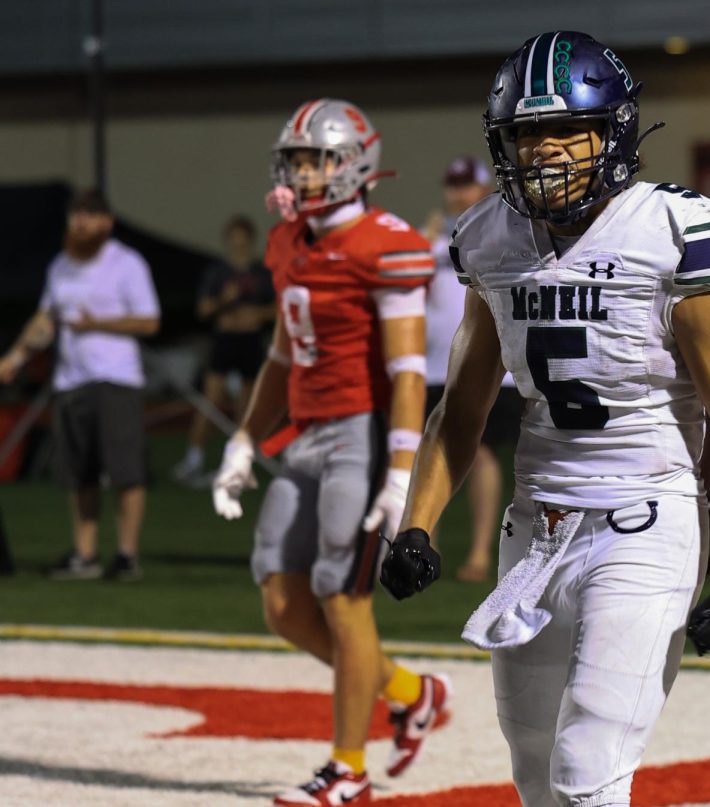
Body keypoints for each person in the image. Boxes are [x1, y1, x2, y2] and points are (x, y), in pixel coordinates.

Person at [378, 31, 710, 807]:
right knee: (532, 769)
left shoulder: (669, 233)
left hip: (645, 519)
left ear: (614, 132)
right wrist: (417, 523)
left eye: (566, 130)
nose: (546, 151)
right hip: (535, 527)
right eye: (527, 134)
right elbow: (462, 408)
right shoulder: (490, 238)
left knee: (588, 767)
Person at [208, 99, 451, 806]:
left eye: (316, 158)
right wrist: (246, 436)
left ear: (355, 164)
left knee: (342, 601)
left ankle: (349, 768)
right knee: (282, 602)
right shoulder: (286, 241)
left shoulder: (387, 242)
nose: (302, 172)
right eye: (297, 159)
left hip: (364, 433)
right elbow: (283, 354)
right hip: (307, 433)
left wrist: (402, 470)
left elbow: (409, 372)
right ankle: (412, 691)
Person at [0, 188, 160, 582]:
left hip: (115, 378)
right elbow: (45, 319)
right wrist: (15, 357)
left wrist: (97, 324)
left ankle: (126, 555)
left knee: (126, 471)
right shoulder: (61, 266)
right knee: (79, 473)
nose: (80, 223)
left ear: (106, 222)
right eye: (75, 216)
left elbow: (149, 321)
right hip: (71, 380)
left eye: (88, 216)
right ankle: (85, 555)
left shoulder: (126, 263)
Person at [422, 155, 522, 582]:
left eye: (467, 185)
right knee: (432, 450)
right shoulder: (429, 240)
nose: (459, 194)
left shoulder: (503, 232)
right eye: (454, 185)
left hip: (494, 370)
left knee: (480, 454)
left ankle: (481, 553)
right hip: (433, 368)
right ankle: (423, 542)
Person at [173, 215, 275, 481]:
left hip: (250, 341)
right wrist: (223, 301)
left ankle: (239, 462)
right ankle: (193, 458)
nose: (238, 247)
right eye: (234, 242)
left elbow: (278, 309)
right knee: (210, 403)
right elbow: (203, 309)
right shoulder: (217, 272)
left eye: (243, 242)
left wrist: (258, 314)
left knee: (246, 405)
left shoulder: (262, 273)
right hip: (225, 341)